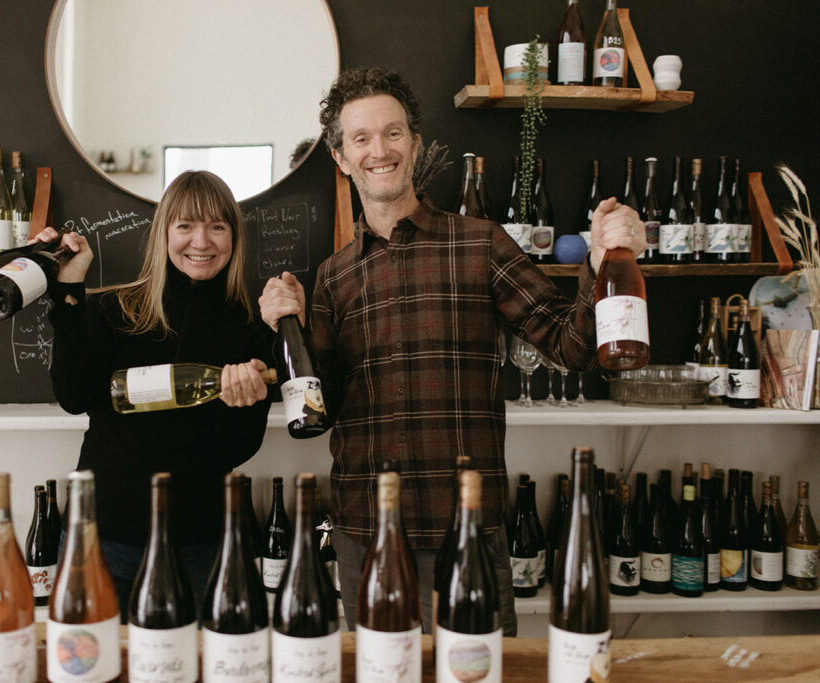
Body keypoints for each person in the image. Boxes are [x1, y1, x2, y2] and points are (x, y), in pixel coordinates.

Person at [259, 67, 647, 636]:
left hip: (463, 533)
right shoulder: (333, 278)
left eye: (393, 133)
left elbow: (572, 348)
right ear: (341, 159)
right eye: (361, 139)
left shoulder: (479, 242)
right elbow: (317, 412)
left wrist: (600, 262)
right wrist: (284, 326)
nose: (379, 150)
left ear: (415, 145)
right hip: (363, 534)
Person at [42, 170, 274, 619]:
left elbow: (238, 448)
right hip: (104, 536)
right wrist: (69, 289)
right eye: (185, 225)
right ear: (164, 232)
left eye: (217, 226)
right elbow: (72, 395)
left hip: (204, 543)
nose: (201, 241)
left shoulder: (250, 325)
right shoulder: (115, 309)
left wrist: (249, 399)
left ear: (234, 237)